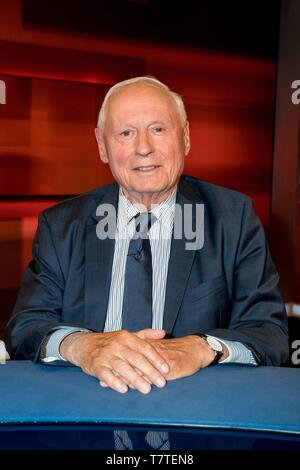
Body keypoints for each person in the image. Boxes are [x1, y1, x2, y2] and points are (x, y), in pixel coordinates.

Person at [5, 76, 289, 449]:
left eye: (158, 129)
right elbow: (26, 326)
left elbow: (270, 334)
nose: (143, 149)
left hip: (196, 427)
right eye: (125, 133)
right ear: (102, 147)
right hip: (84, 426)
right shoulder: (62, 225)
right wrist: (83, 346)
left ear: (185, 137)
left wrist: (202, 347)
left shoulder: (232, 217)